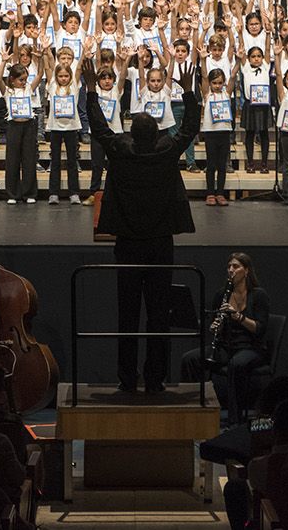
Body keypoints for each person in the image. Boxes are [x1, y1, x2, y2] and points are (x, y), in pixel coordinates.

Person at [87, 82, 200, 393]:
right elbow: (189, 129)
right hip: (161, 243)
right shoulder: (165, 152)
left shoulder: (122, 152)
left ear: (132, 134)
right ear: (155, 135)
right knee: (158, 316)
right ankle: (155, 379)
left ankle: (127, 379)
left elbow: (99, 128)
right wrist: (189, 94)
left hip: (128, 244)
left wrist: (91, 92)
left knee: (128, 315)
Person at [180, 253, 271, 423]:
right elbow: (217, 324)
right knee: (189, 359)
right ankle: (191, 413)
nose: (231, 270)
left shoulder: (258, 295)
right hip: (226, 346)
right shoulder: (222, 294)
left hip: (250, 347)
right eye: (229, 266)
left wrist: (237, 316)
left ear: (247, 271)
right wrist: (216, 326)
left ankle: (234, 421)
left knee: (236, 364)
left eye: (236, 266)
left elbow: (260, 329)